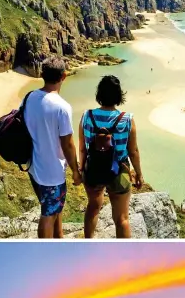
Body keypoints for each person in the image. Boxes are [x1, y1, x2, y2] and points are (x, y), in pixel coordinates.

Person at [79, 75, 144, 238]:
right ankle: (124, 257)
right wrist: (139, 174)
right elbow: (133, 151)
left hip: (92, 169)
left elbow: (82, 149)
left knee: (93, 208)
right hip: (119, 171)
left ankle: (88, 247)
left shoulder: (87, 116)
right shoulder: (127, 119)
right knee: (122, 218)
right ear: (119, 95)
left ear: (99, 94)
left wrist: (80, 169)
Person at [23, 57, 81, 239]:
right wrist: (76, 171)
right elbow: (68, 144)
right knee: (48, 214)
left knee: (55, 209)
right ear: (64, 76)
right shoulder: (62, 107)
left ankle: (59, 239)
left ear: (42, 75)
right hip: (52, 173)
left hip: (34, 167)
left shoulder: (30, 97)